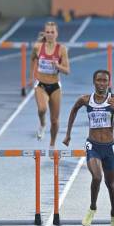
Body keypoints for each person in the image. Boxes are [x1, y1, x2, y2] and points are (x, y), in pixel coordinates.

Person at [62, 70, 114, 226]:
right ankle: (92, 207)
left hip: (109, 147)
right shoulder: (85, 99)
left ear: (109, 83)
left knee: (111, 184)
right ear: (94, 82)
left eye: (104, 81)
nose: (101, 83)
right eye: (99, 80)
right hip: (93, 146)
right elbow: (73, 110)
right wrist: (68, 134)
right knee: (97, 177)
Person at [30, 21, 70, 151]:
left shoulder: (61, 49)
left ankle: (52, 144)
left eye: (52, 32)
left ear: (56, 34)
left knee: (55, 120)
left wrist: (57, 66)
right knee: (42, 109)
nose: (50, 34)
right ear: (45, 33)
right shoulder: (37, 47)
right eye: (48, 32)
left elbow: (67, 71)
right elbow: (32, 59)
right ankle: (42, 124)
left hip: (55, 86)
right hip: (41, 84)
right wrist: (32, 76)